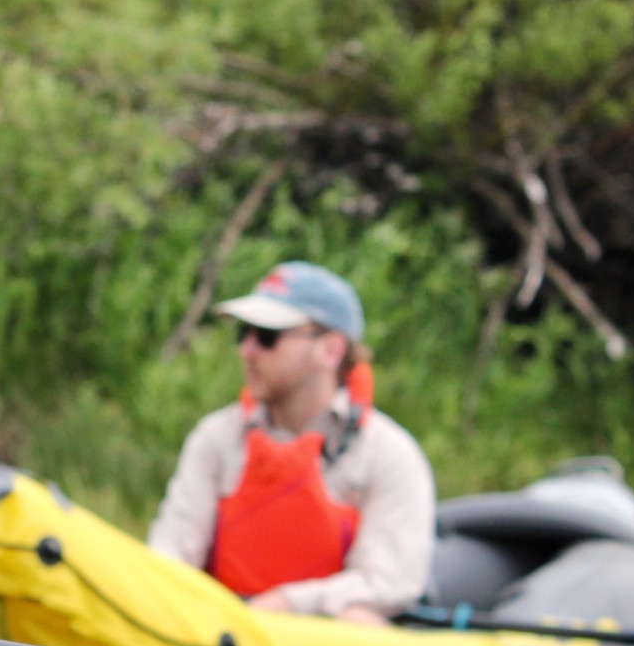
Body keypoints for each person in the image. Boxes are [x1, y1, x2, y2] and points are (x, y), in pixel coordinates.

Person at [146, 261, 435, 625]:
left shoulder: (390, 455)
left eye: (267, 336)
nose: (247, 350)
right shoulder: (215, 436)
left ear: (330, 350)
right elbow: (170, 551)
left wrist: (286, 603)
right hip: (218, 630)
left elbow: (388, 582)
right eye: (244, 334)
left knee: (359, 619)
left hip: (318, 640)